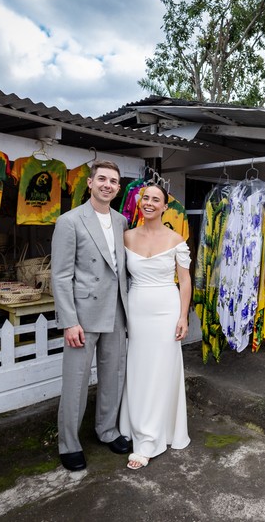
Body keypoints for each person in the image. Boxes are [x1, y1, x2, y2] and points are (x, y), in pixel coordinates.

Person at [51, 159, 130, 471]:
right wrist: (69, 321)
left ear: (118, 187)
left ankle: (107, 430)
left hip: (116, 311)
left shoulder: (122, 221)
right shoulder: (69, 221)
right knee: (76, 382)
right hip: (83, 315)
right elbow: (60, 276)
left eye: (113, 181)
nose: (107, 185)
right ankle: (68, 443)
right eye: (102, 179)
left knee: (113, 376)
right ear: (90, 183)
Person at [119, 183, 192, 470]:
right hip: (136, 309)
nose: (149, 203)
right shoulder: (125, 237)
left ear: (165, 206)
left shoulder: (176, 239)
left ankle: (150, 439)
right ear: (139, 202)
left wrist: (183, 316)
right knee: (138, 369)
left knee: (162, 370)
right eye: (145, 198)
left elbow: (184, 280)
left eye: (156, 199)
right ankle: (133, 424)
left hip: (166, 309)